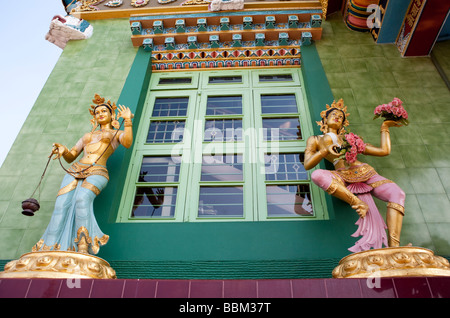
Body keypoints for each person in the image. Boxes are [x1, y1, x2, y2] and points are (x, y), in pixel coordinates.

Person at [32, 94, 133, 254]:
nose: (100, 114)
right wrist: (63, 150)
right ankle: (49, 247)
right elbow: (72, 155)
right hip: (75, 169)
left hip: (98, 171)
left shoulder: (115, 134)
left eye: (103, 111)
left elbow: (127, 142)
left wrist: (127, 121)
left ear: (111, 115)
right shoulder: (88, 136)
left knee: (82, 199)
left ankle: (83, 247)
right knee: (60, 205)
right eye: (97, 112)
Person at [304, 99, 405, 250]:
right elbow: (307, 164)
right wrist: (325, 150)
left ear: (343, 123)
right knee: (317, 175)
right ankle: (357, 203)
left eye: (341, 116)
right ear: (324, 119)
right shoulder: (316, 139)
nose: (337, 116)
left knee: (397, 193)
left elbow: (384, 151)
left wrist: (385, 127)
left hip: (365, 172)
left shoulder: (350, 139)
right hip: (341, 174)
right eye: (334, 114)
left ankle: (394, 246)